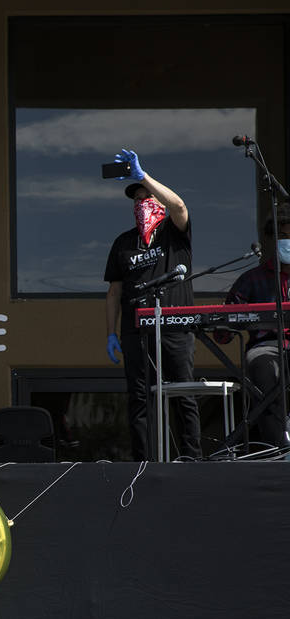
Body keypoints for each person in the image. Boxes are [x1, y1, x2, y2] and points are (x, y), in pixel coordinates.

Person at [104, 149, 201, 461]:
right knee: (139, 399)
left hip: (175, 327)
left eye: (146, 197)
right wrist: (111, 333)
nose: (141, 202)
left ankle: (191, 458)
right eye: (136, 198)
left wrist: (143, 177)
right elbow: (113, 293)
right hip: (136, 330)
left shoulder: (174, 234)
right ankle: (143, 461)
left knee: (184, 395)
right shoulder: (122, 243)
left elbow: (180, 206)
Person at [217, 205, 290, 448]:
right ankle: (277, 448)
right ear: (272, 239)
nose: (288, 241)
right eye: (283, 237)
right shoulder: (251, 279)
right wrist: (223, 322)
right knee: (261, 368)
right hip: (266, 347)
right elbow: (223, 332)